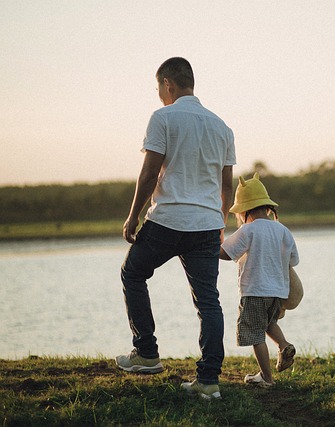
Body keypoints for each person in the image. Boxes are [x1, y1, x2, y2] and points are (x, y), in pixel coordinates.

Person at [115, 57, 235, 400]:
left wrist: (132, 216)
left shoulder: (163, 118)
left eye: (158, 89)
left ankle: (147, 353)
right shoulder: (222, 126)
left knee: (133, 272)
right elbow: (226, 186)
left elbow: (149, 173)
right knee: (208, 302)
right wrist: (219, 221)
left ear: (168, 84)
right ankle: (209, 381)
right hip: (207, 225)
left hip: (168, 219)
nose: (158, 96)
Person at [220, 173, 298, 388]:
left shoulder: (248, 229)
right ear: (266, 206)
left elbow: (227, 253)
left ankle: (266, 377)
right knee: (268, 323)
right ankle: (284, 345)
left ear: (244, 210)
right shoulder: (282, 230)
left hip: (254, 291)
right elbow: (293, 260)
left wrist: (208, 247)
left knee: (255, 335)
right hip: (278, 292)